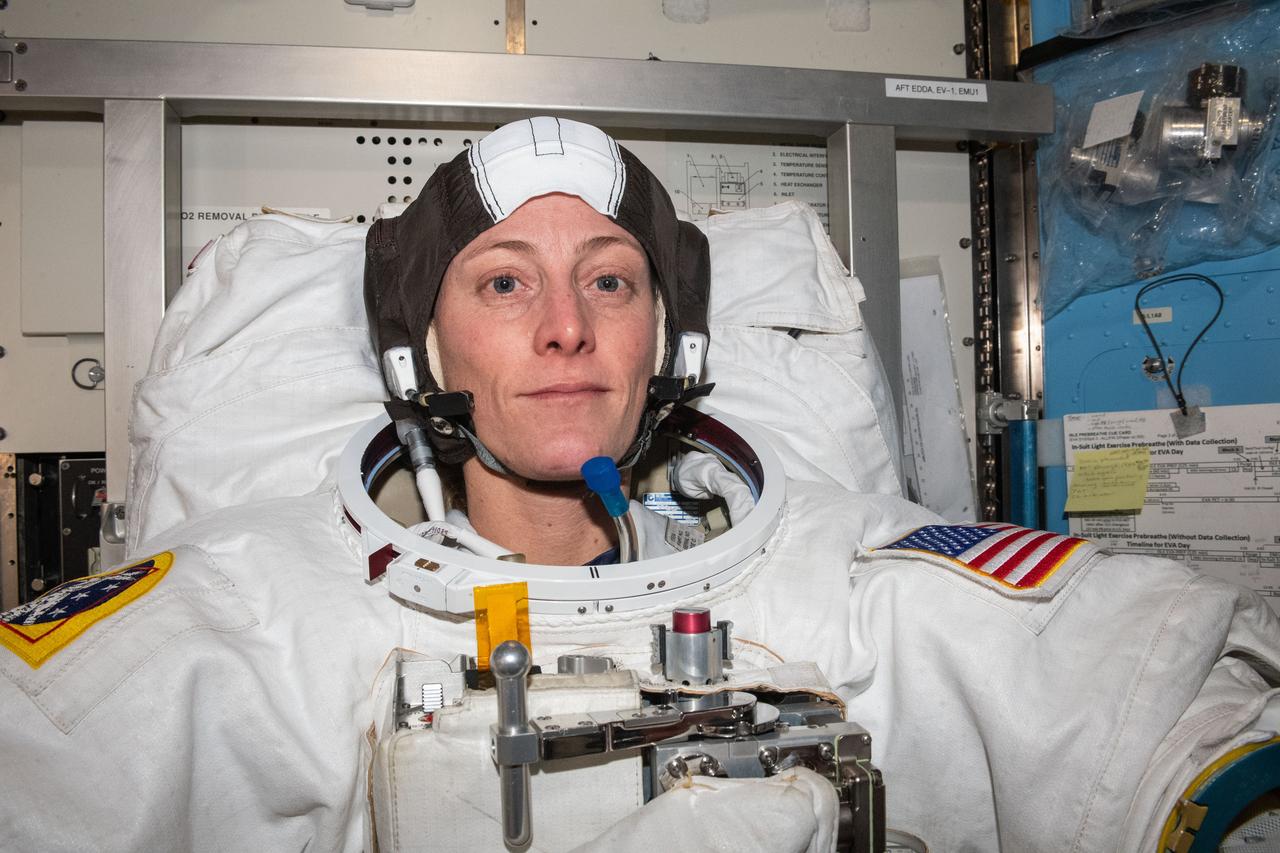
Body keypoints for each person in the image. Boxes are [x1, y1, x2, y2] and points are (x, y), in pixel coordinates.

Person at [1, 116, 1277, 852]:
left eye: (609, 279)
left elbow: (1125, 683)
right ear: (422, 346)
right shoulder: (256, 613)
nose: (566, 328)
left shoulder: (841, 578)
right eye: (504, 281)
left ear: (669, 337)